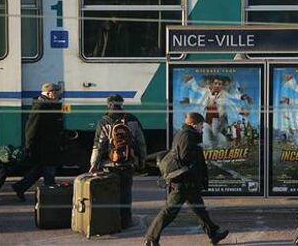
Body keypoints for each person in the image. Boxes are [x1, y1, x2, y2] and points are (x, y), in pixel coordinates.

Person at [144, 113, 229, 246]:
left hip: (188, 182)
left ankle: (214, 234)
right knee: (169, 211)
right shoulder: (187, 136)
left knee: (200, 209)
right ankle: (150, 239)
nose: (202, 128)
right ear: (194, 124)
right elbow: (185, 157)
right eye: (201, 125)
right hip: (183, 183)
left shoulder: (185, 134)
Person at [89, 94, 147, 229]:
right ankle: (126, 221)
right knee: (126, 192)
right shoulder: (132, 119)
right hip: (127, 162)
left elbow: (98, 145)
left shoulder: (104, 121)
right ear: (122, 104)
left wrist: (94, 164)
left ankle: (112, 221)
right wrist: (142, 159)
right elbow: (141, 142)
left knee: (111, 194)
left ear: (108, 105)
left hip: (110, 164)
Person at [12, 83, 63, 201]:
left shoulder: (50, 105)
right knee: (49, 170)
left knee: (41, 169)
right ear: (51, 93)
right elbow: (31, 128)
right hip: (44, 145)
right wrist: (29, 146)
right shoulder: (40, 106)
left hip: (50, 144)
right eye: (57, 92)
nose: (58, 95)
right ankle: (50, 195)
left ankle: (20, 186)